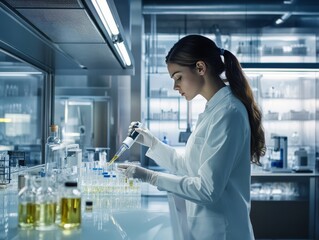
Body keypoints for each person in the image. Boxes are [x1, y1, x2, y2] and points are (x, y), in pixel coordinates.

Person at [118, 34, 266, 240]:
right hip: (206, 231)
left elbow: (207, 190)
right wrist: (151, 142)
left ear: (200, 68)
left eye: (178, 77)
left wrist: (149, 177)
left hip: (224, 233)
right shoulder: (213, 110)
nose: (175, 86)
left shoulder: (228, 112)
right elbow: (188, 167)